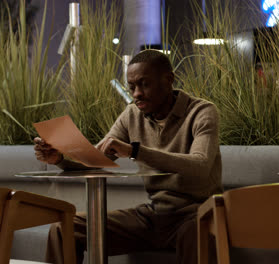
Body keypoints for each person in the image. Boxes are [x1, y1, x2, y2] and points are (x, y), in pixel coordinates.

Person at [34, 49, 222, 264]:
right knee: (64, 228)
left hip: (197, 213)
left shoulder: (202, 112)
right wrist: (58, 159)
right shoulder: (132, 114)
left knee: (198, 233)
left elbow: (201, 165)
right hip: (154, 215)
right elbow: (94, 160)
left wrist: (135, 151)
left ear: (169, 80)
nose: (136, 94)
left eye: (144, 84)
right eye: (132, 87)